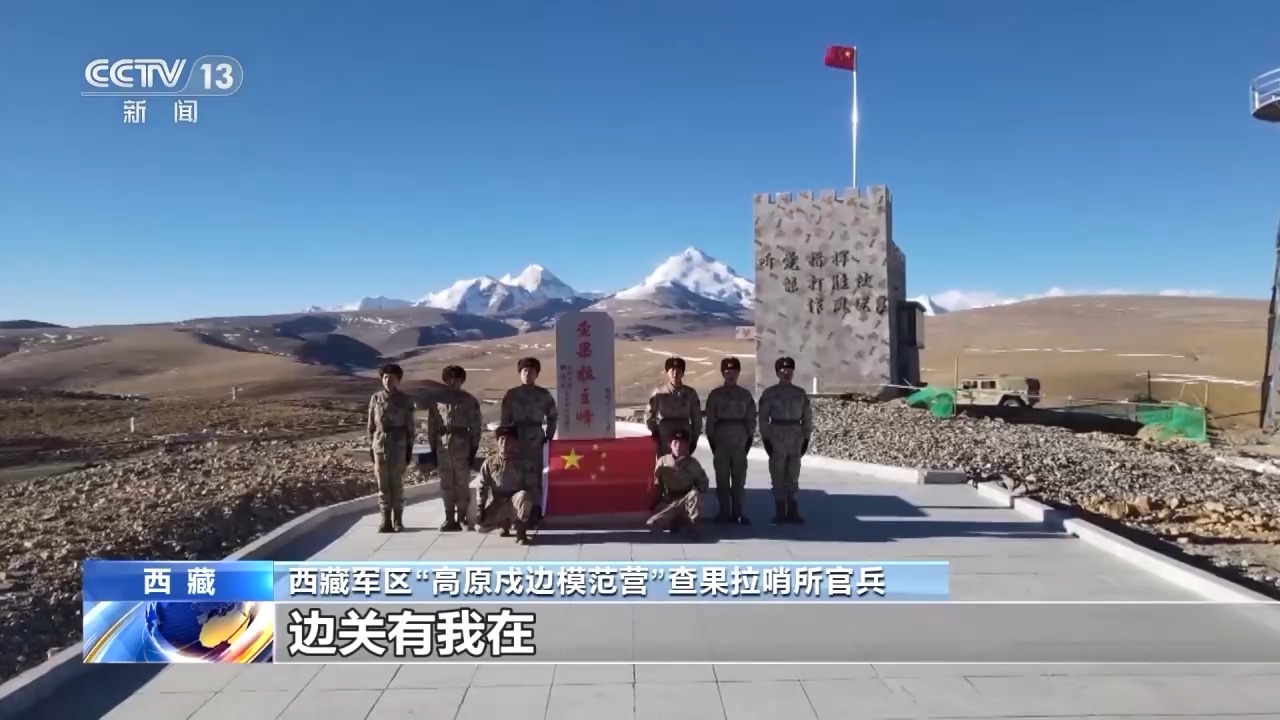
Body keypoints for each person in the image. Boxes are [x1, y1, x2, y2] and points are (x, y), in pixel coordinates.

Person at [425, 365, 483, 532]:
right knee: (446, 484)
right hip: (443, 448)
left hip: (462, 447)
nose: (452, 382)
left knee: (461, 484)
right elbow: (432, 425)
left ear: (462, 381)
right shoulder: (436, 401)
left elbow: (476, 427)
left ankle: (462, 518)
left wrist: (473, 449)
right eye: (449, 379)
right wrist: (433, 448)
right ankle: (449, 518)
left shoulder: (469, 401)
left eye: (456, 379)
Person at [499, 357, 557, 524]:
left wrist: (549, 436)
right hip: (515, 437)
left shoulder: (543, 394)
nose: (528, 374)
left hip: (535, 438)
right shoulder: (511, 395)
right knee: (515, 475)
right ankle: (515, 512)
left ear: (536, 374)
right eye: (525, 371)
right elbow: (505, 420)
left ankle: (534, 511)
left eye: (531, 372)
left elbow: (553, 416)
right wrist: (505, 440)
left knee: (534, 475)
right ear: (520, 373)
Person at [758, 356, 813, 525]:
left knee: (793, 475)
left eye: (789, 370)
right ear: (777, 373)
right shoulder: (769, 393)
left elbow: (807, 417)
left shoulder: (800, 393)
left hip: (795, 437)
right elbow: (763, 418)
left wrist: (806, 437)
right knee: (778, 475)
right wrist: (766, 439)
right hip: (777, 436)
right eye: (782, 371)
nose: (786, 373)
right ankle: (780, 510)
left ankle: (793, 510)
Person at [705, 357, 758, 524]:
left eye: (734, 371)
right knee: (722, 480)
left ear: (738, 373)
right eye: (727, 371)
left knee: (739, 480)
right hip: (721, 442)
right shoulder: (715, 395)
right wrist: (712, 441)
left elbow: (751, 419)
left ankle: (738, 513)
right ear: (722, 373)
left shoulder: (745, 395)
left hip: (740, 442)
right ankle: (723, 512)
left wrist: (748, 439)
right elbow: (710, 421)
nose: (731, 375)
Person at [367, 363, 416, 533]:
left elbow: (411, 427)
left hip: (399, 446)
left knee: (397, 484)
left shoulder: (405, 400)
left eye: (392, 378)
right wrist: (371, 445)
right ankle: (385, 520)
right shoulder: (376, 398)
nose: (388, 380)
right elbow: (371, 425)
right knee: (383, 486)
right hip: (380, 445)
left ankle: (398, 520)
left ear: (398, 380)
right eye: (385, 377)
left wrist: (409, 448)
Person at [477, 425, 537, 545]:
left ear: (515, 443)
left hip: (515, 502)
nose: (505, 443)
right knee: (480, 527)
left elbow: (533, 486)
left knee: (524, 496)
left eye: (508, 440)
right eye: (502, 439)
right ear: (497, 442)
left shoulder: (523, 463)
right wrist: (480, 507)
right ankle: (504, 524)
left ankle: (520, 531)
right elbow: (482, 486)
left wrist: (532, 508)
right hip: (497, 502)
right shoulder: (490, 463)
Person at [647, 428, 710, 540]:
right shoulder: (663, 461)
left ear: (687, 445)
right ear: (670, 445)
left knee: (694, 494)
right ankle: (676, 520)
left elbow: (703, 481)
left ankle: (693, 526)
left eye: (682, 443)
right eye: (675, 442)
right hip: (669, 501)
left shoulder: (693, 463)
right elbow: (655, 483)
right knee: (652, 523)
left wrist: (700, 492)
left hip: (686, 499)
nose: (678, 446)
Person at [644, 356, 703, 457]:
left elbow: (697, 418)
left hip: (684, 438)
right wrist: (655, 432)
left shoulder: (690, 393)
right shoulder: (659, 392)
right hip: (664, 438)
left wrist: (693, 439)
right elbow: (648, 415)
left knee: (683, 465)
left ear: (683, 373)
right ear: (667, 372)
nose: (675, 374)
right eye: (672, 370)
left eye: (679, 371)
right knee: (665, 465)